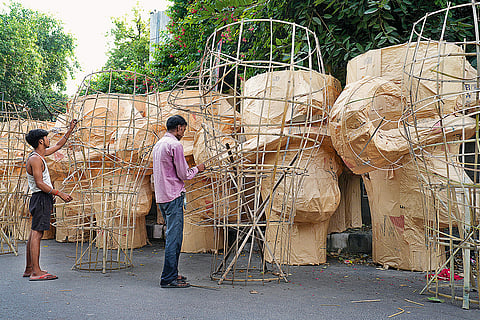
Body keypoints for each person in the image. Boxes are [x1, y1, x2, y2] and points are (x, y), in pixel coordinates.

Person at [153, 115, 205, 288]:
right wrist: (198, 168)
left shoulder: (159, 144)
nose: (184, 132)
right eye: (184, 129)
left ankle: (173, 273)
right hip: (174, 195)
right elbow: (184, 174)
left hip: (162, 197)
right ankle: (168, 278)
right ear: (180, 128)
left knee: (172, 236)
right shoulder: (175, 145)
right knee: (174, 239)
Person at [23, 119, 77, 281]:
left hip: (40, 197)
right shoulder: (35, 159)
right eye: (46, 138)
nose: (49, 140)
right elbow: (40, 183)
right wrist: (59, 193)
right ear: (41, 141)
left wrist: (70, 130)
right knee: (37, 233)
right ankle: (36, 272)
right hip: (40, 197)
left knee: (34, 232)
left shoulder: (39, 155)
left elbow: (59, 146)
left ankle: (29, 268)